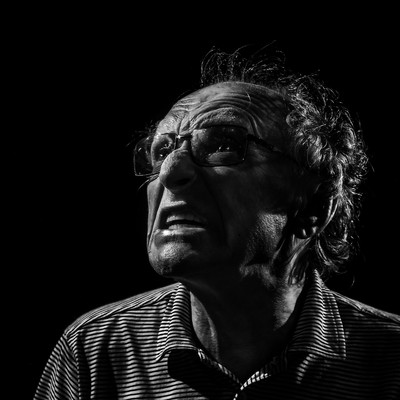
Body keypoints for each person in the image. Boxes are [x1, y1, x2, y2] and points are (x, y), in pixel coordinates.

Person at [34, 46, 400, 399]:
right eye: (161, 152)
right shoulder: (94, 350)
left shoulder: (390, 358)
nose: (170, 172)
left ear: (314, 207)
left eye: (223, 145)